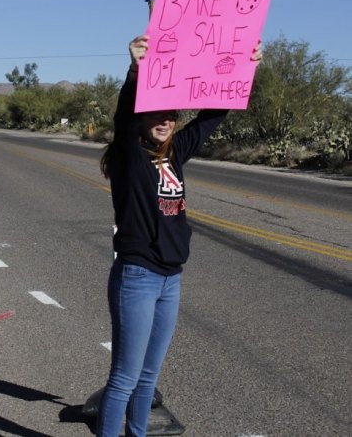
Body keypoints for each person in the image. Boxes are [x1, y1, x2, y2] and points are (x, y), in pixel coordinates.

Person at [96, 34, 262, 437]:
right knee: (124, 378)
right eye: (155, 113)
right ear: (142, 117)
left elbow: (212, 115)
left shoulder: (175, 152)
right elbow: (122, 118)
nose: (164, 119)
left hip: (171, 278)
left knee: (149, 378)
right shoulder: (129, 156)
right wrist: (136, 71)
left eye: (170, 114)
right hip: (137, 276)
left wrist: (245, 66)